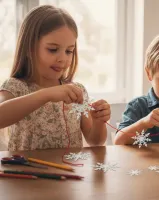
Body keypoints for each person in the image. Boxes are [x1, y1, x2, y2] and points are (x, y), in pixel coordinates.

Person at [0, 5, 110, 151]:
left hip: (70, 173)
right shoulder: (16, 87)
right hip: (29, 172)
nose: (62, 59)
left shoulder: (77, 91)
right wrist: (47, 94)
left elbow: (95, 142)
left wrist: (98, 122)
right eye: (53, 50)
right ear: (29, 48)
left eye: (69, 51)